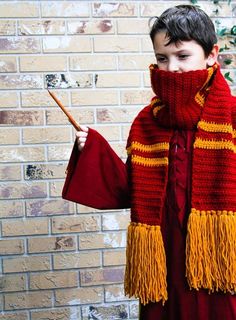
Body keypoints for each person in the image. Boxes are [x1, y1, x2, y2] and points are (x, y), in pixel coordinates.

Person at [62, 5, 236, 320]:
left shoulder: (232, 116)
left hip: (221, 256)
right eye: (162, 58)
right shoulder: (147, 122)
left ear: (212, 54)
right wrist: (95, 150)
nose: (171, 68)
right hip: (164, 255)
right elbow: (128, 189)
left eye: (183, 56)